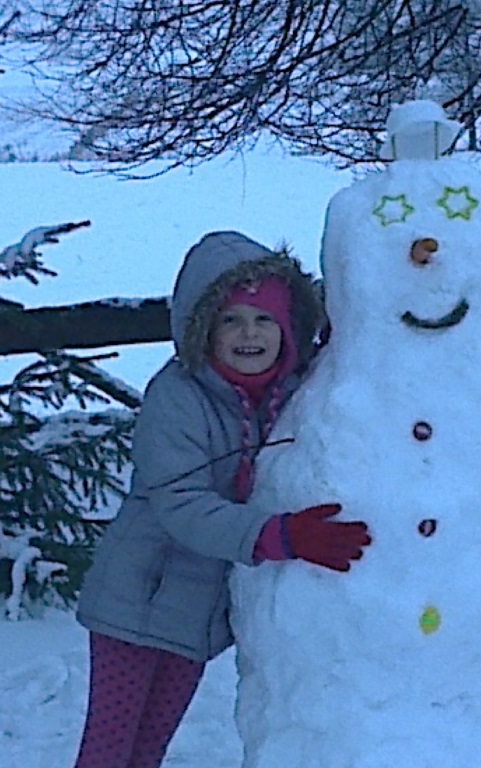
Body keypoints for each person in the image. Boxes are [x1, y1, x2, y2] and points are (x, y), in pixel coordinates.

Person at [71, 231, 372, 768]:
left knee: (148, 750)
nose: (248, 334)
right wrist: (277, 535)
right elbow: (179, 503)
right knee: (109, 752)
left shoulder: (289, 392)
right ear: (202, 328)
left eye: (264, 320)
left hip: (196, 614)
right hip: (139, 597)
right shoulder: (178, 396)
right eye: (231, 320)